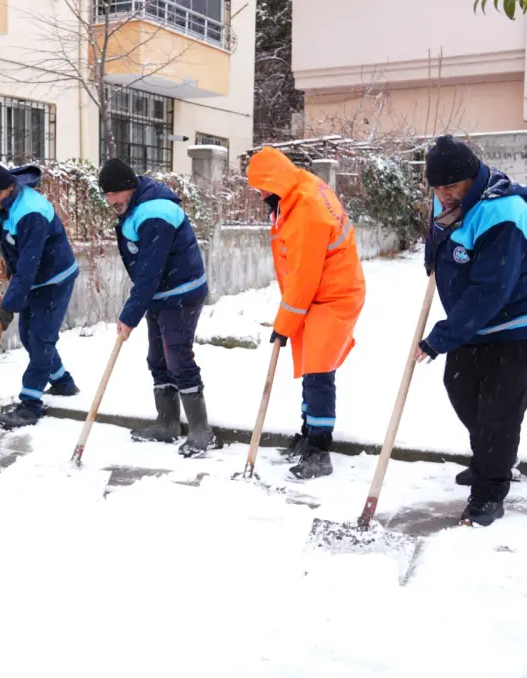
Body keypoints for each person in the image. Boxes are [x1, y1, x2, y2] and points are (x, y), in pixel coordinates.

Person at [414, 134, 527, 527]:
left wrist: (440, 337)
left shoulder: (502, 215)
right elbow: (438, 234)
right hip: (477, 319)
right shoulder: (446, 199)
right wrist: (432, 259)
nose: (442, 194)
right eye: (437, 186)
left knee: (498, 409)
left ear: (472, 178)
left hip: (520, 320)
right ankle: (490, 457)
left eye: (450, 186)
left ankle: (490, 490)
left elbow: (489, 291)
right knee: (460, 388)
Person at [245, 147, 366, 480]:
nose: (260, 196)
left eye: (261, 189)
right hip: (320, 294)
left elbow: (304, 276)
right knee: (311, 366)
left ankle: (319, 446)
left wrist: (284, 324)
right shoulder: (298, 189)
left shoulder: (306, 210)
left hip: (333, 294)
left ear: (274, 182)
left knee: (318, 370)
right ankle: (308, 432)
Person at [97, 158, 215, 457]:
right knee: (158, 358)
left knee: (177, 357)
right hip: (160, 294)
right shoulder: (136, 206)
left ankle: (201, 430)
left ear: (129, 188)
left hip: (182, 292)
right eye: (107, 195)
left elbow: (150, 270)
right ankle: (167, 423)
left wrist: (129, 315)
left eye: (115, 194)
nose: (111, 200)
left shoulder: (155, 212)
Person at [0, 164, 81, 429]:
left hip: (55, 277)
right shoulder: (3, 206)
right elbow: (15, 254)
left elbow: (28, 264)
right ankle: (62, 382)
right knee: (28, 335)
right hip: (35, 279)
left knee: (40, 337)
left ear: (10, 187)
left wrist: (8, 305)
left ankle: (30, 405)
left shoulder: (30, 212)